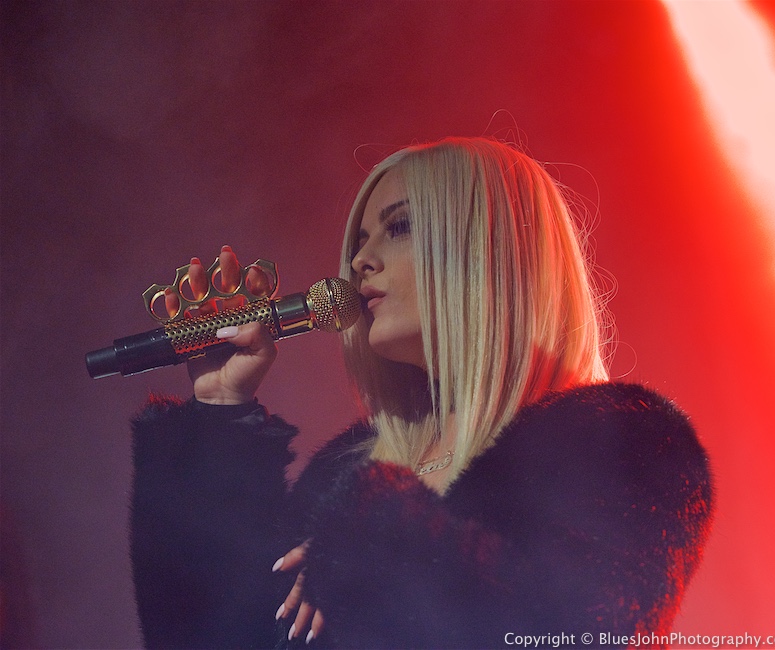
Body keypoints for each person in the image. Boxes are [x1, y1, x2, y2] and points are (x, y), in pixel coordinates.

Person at [130, 137, 714, 649]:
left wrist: (374, 538)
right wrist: (219, 418)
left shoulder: (626, 447)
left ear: (493, 251)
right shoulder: (345, 471)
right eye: (359, 238)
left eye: (400, 226)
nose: (359, 260)